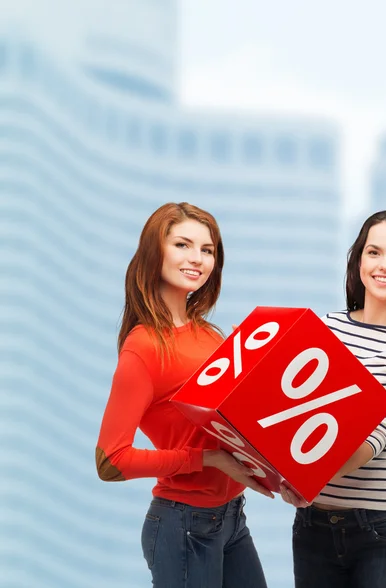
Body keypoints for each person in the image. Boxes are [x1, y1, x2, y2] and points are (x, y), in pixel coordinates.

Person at [95, 202, 272, 588]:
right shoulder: (143, 347)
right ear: (154, 252)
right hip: (183, 524)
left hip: (232, 519)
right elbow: (111, 461)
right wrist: (205, 459)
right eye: (182, 245)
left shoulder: (211, 335)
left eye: (207, 250)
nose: (197, 259)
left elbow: (232, 428)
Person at [281, 209, 386, 588]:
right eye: (374, 252)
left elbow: (367, 444)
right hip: (312, 528)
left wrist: (299, 471)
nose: (384, 265)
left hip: (383, 532)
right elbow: (287, 416)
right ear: (358, 260)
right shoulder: (326, 327)